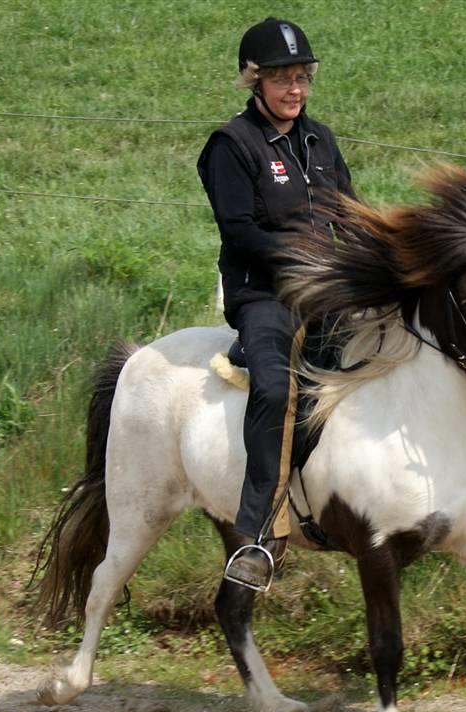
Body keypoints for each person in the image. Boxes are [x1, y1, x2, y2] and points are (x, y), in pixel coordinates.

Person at [197, 18, 355, 592]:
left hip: (325, 292)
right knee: (274, 388)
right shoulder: (231, 146)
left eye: (302, 77)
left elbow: (350, 215)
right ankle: (260, 535)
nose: (294, 89)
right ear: (254, 81)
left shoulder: (321, 141)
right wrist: (304, 263)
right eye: (282, 79)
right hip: (263, 294)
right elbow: (238, 231)